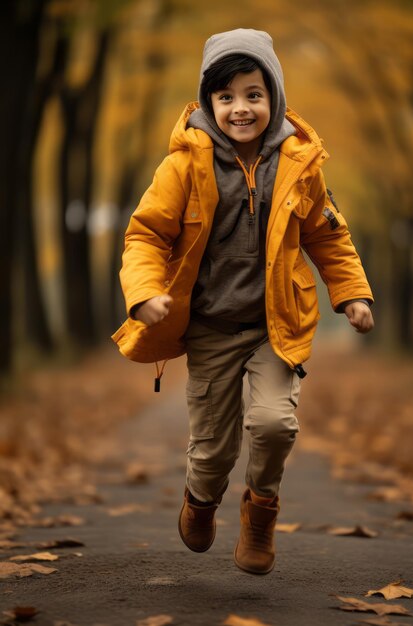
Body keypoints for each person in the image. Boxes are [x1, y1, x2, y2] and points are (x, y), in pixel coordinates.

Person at [112, 28, 374, 575]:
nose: (240, 108)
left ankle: (260, 512)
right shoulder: (184, 164)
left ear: (274, 97)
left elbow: (329, 235)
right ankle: (201, 500)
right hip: (210, 326)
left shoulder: (300, 165)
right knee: (212, 449)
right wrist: (145, 294)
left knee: (275, 424)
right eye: (226, 96)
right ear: (209, 101)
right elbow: (145, 236)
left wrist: (350, 294)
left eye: (253, 94)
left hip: (275, 325)